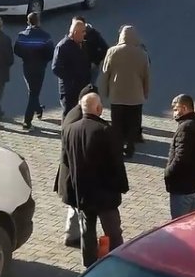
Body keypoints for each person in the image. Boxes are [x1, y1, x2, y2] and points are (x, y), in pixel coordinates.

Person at [63, 92, 129, 267]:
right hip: (105, 195)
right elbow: (117, 164)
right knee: (113, 232)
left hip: (83, 194)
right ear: (99, 108)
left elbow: (65, 160)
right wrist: (122, 186)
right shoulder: (107, 131)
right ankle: (118, 263)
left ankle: (89, 265)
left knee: (87, 232)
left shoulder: (70, 129)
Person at [98, 25, 150, 158]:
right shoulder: (142, 54)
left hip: (117, 95)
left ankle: (118, 147)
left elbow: (105, 73)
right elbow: (146, 76)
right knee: (133, 123)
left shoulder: (112, 51)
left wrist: (104, 93)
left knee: (117, 123)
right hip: (135, 97)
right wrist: (145, 93)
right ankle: (130, 147)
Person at [54, 86, 91, 248]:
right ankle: (78, 238)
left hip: (68, 171)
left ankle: (71, 234)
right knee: (79, 207)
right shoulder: (78, 119)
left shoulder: (72, 113)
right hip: (73, 172)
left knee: (73, 205)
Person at [165, 94, 195, 219]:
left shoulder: (185, 128)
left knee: (180, 227)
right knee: (190, 224)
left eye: (175, 109)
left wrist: (168, 173)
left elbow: (180, 158)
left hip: (183, 189)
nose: (174, 113)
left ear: (184, 108)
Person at [14, 12, 55, 129]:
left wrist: (25, 57)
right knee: (33, 92)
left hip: (26, 67)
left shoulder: (22, 35)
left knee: (32, 91)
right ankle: (27, 121)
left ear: (28, 21)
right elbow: (50, 54)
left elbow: (16, 50)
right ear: (38, 21)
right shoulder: (45, 36)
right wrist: (43, 61)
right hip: (39, 68)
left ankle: (38, 110)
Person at [52, 19, 92, 116]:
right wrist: (72, 78)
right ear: (75, 33)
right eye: (82, 32)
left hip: (82, 88)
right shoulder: (63, 46)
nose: (84, 34)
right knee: (69, 115)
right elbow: (56, 68)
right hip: (69, 90)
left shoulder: (83, 44)